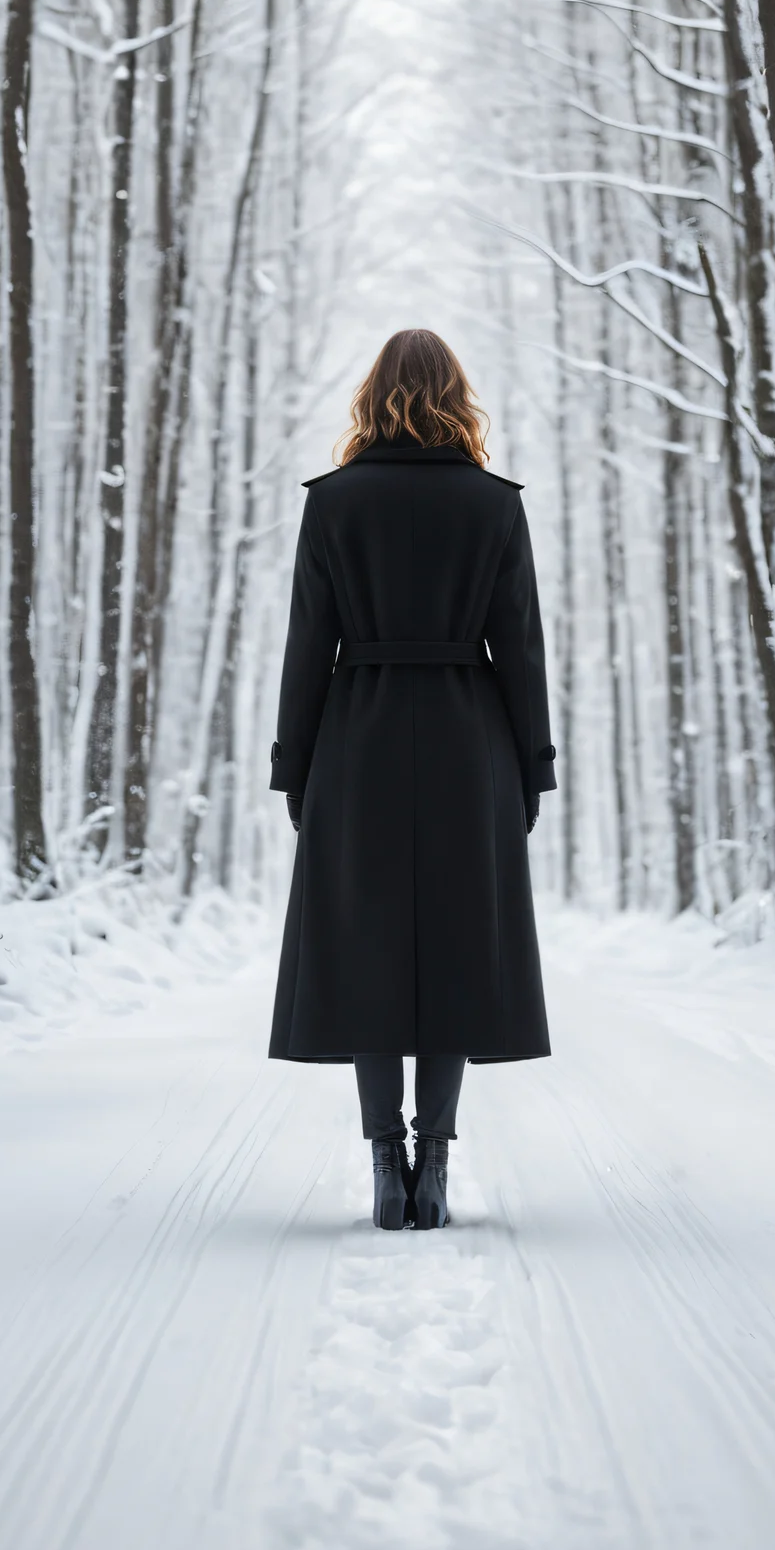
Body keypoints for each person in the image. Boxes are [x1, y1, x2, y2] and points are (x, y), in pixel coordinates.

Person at [268, 328, 555, 1229]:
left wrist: (294, 765)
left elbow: (308, 642)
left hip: (359, 739)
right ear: (455, 394)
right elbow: (521, 647)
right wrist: (534, 767)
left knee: (367, 947)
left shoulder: (334, 502)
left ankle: (384, 1162)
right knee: (458, 949)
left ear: (374, 393)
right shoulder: (495, 504)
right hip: (472, 742)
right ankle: (435, 1155)